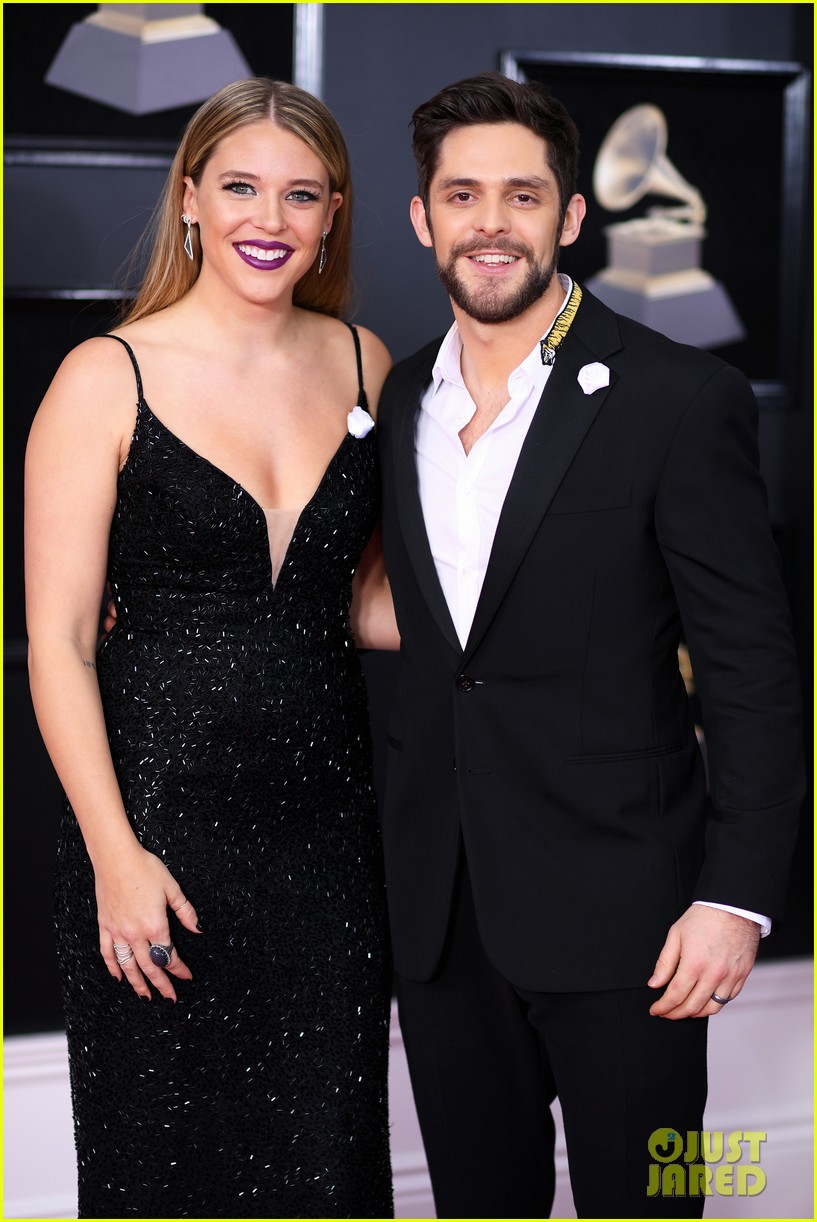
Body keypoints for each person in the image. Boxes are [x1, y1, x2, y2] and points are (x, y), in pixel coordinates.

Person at [376, 72, 803, 1219]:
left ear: (569, 215)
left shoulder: (679, 396)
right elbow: (427, 632)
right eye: (461, 195)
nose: (490, 223)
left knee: (653, 1200)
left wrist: (736, 897)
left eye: (521, 195)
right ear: (421, 219)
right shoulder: (397, 399)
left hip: (634, 921)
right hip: (443, 918)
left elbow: (753, 669)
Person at [25, 77, 397, 1219]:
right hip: (158, 832)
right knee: (162, 1167)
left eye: (301, 194)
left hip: (327, 843)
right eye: (240, 187)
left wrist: (577, 596)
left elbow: (368, 604)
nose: (269, 220)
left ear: (333, 213)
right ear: (189, 198)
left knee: (326, 1167)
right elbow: (56, 644)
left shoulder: (365, 361)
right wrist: (114, 856)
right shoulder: (106, 374)